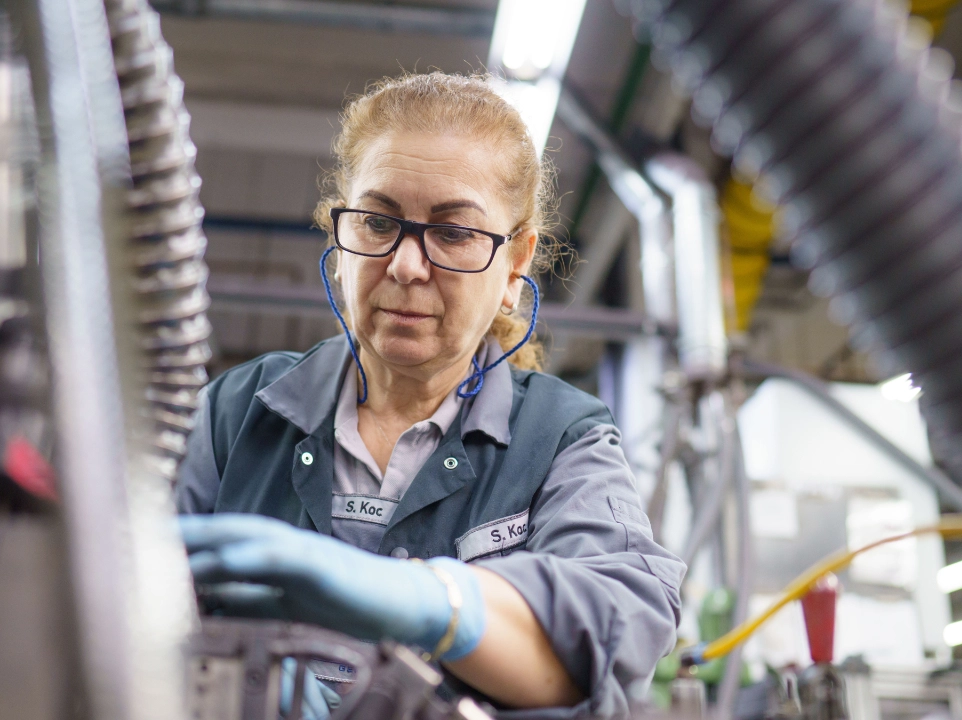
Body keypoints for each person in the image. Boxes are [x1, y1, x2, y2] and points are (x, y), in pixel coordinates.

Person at [177, 72, 685, 717]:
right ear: (339, 241)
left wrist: (434, 602)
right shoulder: (236, 412)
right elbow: (113, 598)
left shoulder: (560, 437)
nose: (407, 265)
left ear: (516, 265)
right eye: (376, 221)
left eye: (454, 233)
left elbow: (617, 627)